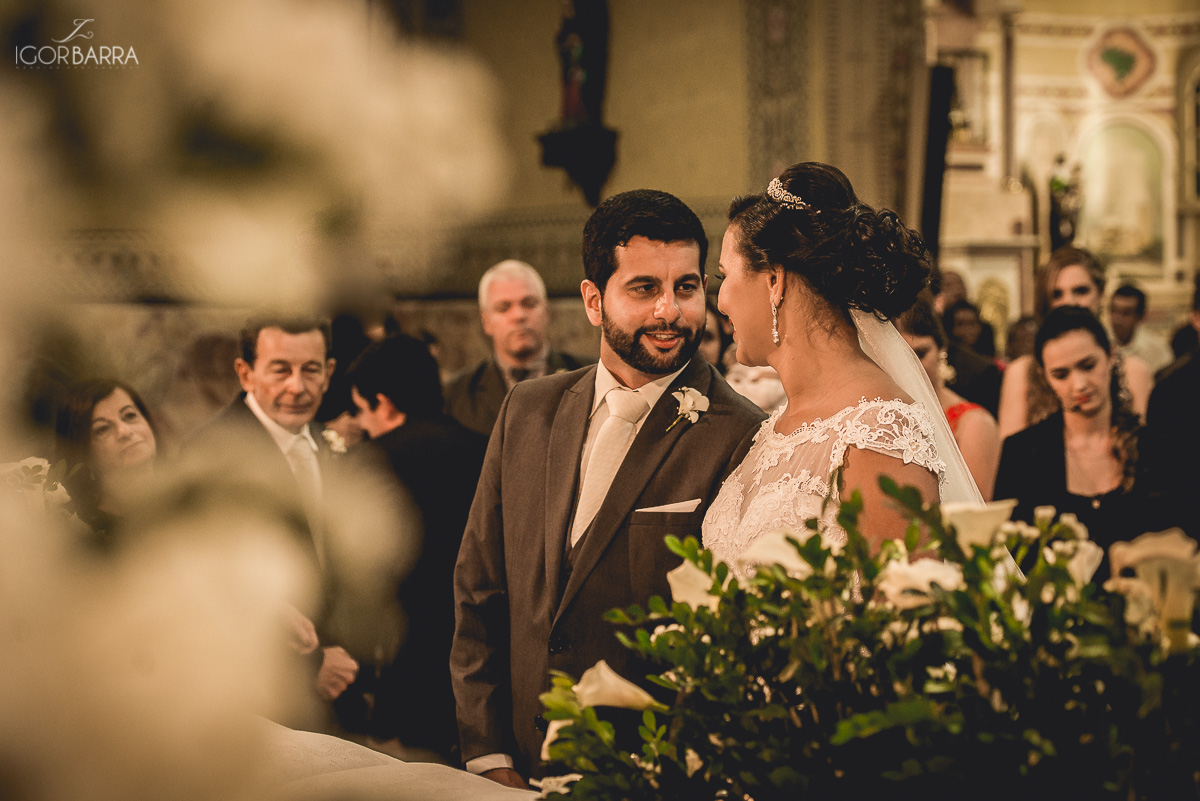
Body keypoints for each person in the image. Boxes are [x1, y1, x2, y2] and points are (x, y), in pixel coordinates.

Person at [451, 189, 766, 787]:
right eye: (644, 288)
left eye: (686, 287)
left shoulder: (742, 434)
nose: (670, 311)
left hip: (642, 775)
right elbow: (479, 586)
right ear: (594, 301)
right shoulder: (528, 408)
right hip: (508, 768)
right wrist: (487, 752)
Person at [702, 162, 979, 577]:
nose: (720, 300)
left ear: (774, 280)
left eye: (725, 276)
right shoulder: (775, 426)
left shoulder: (878, 434)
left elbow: (907, 604)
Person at [188, 316, 360, 711]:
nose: (297, 387)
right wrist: (309, 665)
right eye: (280, 370)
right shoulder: (212, 454)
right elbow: (208, 586)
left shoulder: (326, 444)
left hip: (337, 686)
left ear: (329, 373)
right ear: (245, 374)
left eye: (310, 370)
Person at [342, 334, 488, 762]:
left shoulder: (367, 464)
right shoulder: (485, 450)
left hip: (404, 665)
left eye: (361, 410)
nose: (362, 424)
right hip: (479, 659)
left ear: (384, 403)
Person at [994, 306, 1172, 582]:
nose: (1079, 385)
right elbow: (1008, 556)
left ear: (1110, 355)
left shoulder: (1156, 448)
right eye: (1061, 374)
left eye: (1088, 366)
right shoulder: (1022, 453)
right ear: (1045, 377)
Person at [997, 246, 1152, 438]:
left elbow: (1143, 447)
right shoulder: (1022, 372)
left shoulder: (1134, 371)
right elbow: (1013, 450)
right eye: (1057, 294)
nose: (1070, 301)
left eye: (1081, 291)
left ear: (1101, 294)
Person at [444, 260, 591, 437]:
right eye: (504, 308)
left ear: (546, 311)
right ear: (486, 322)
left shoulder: (590, 378)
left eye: (529, 303)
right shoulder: (456, 395)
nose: (519, 315)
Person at [899, 297, 1001, 500]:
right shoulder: (885, 416)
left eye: (921, 353)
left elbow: (977, 509)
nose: (912, 365)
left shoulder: (974, 422)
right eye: (903, 356)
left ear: (942, 349)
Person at [54, 378, 159, 543]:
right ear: (82, 454)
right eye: (102, 429)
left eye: (129, 415)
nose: (124, 431)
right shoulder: (85, 536)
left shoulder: (189, 493)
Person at [1109, 283, 1173, 374]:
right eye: (1114, 311)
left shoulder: (1157, 350)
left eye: (1126, 313)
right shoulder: (1100, 343)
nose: (1117, 319)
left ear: (1140, 316)